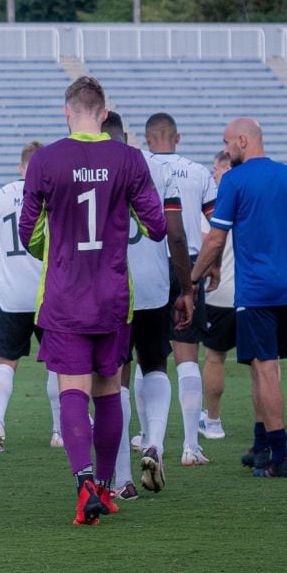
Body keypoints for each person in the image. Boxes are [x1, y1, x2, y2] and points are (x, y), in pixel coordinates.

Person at [17, 77, 167, 525]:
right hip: (113, 298)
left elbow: (29, 233)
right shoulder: (129, 159)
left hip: (64, 296)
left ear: (67, 112)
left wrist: (57, 251)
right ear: (104, 114)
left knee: (72, 393)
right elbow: (156, 225)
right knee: (107, 392)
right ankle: (104, 485)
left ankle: (84, 488)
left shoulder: (45, 160)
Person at [191, 117, 287, 479]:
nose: (225, 149)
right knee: (260, 365)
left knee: (264, 368)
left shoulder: (234, 180)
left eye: (227, 143)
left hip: (256, 290)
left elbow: (216, 238)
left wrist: (193, 277)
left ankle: (279, 456)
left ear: (243, 141)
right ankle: (261, 444)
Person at [100, 112, 193, 499]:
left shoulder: (89, 169)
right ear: (129, 135)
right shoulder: (154, 167)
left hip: (109, 286)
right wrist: (185, 288)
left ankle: (123, 480)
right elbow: (174, 232)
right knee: (155, 365)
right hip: (154, 287)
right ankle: (153, 441)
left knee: (115, 380)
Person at [141, 113, 218, 467]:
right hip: (187, 263)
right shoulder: (199, 172)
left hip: (149, 263)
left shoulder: (137, 167)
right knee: (188, 359)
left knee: (147, 358)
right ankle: (191, 446)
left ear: (145, 138)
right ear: (178, 137)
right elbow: (216, 224)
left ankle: (147, 437)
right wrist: (210, 265)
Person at [0, 141, 53, 452]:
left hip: (12, 295)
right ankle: (60, 431)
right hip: (49, 294)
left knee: (7, 361)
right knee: (58, 365)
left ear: (21, 167)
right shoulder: (54, 194)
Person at [198, 151, 236, 440]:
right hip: (253, 295)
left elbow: (206, 244)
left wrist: (192, 280)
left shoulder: (218, 205)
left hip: (219, 294)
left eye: (217, 171)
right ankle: (269, 425)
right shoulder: (254, 201)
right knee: (265, 361)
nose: (213, 177)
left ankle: (213, 421)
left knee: (214, 357)